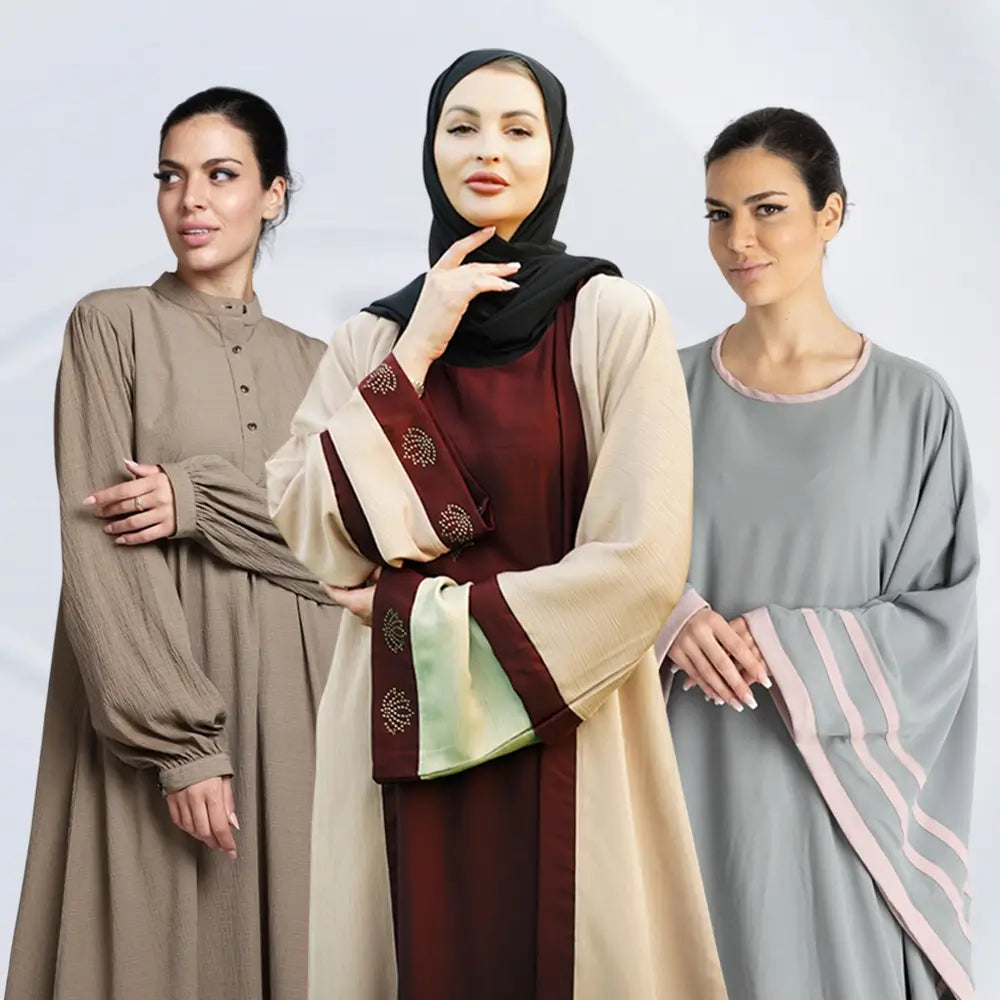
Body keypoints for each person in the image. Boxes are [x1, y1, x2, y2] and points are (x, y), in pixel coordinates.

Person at [267, 49, 727, 1000]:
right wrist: (420, 343)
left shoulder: (613, 320)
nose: (489, 150)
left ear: (556, 154)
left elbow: (643, 562)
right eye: (461, 125)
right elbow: (308, 522)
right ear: (429, 146)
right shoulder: (370, 336)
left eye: (520, 129)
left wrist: (426, 621)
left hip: (573, 718)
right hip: (399, 749)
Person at [5, 86, 341, 1000]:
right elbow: (101, 543)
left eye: (221, 176)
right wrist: (181, 744)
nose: (190, 200)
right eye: (171, 177)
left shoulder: (319, 363)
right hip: (156, 691)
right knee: (157, 949)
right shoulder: (108, 324)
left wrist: (194, 498)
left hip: (303, 703)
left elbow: (345, 549)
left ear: (274, 195)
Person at [658, 107, 978, 1000]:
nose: (740, 240)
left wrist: (788, 644)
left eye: (768, 210)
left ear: (830, 214)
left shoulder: (915, 408)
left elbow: (939, 624)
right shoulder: (659, 390)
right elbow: (598, 555)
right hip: (684, 783)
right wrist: (671, 617)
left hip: (842, 801)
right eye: (719, 214)